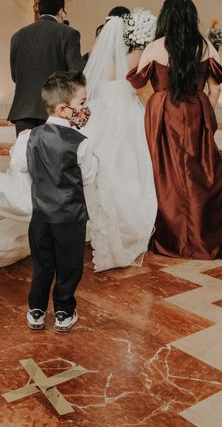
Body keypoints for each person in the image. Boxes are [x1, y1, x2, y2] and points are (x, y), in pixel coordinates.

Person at [127, 0, 222, 260]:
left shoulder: (155, 47)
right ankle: (201, 241)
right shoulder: (205, 46)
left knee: (165, 174)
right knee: (199, 173)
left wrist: (158, 104)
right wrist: (205, 112)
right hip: (197, 111)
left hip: (163, 113)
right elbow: (215, 90)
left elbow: (138, 88)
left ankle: (169, 238)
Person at [12, 71, 97, 332]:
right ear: (63, 109)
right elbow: (89, 177)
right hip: (70, 218)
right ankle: (63, 312)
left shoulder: (28, 137)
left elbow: (21, 167)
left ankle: (36, 310)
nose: (85, 109)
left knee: (42, 265)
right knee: (69, 267)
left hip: (40, 217)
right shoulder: (81, 143)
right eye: (81, 104)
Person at [81, 15, 157, 271]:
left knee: (102, 164)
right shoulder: (134, 57)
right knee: (129, 167)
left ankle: (93, 220)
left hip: (100, 112)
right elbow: (138, 87)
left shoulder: (99, 59)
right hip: (126, 114)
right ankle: (123, 220)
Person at [8, 0, 84, 136]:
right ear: (61, 11)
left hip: (23, 110)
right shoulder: (68, 33)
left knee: (25, 156)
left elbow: (15, 76)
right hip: (55, 110)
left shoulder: (18, 36)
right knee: (51, 157)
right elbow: (76, 73)